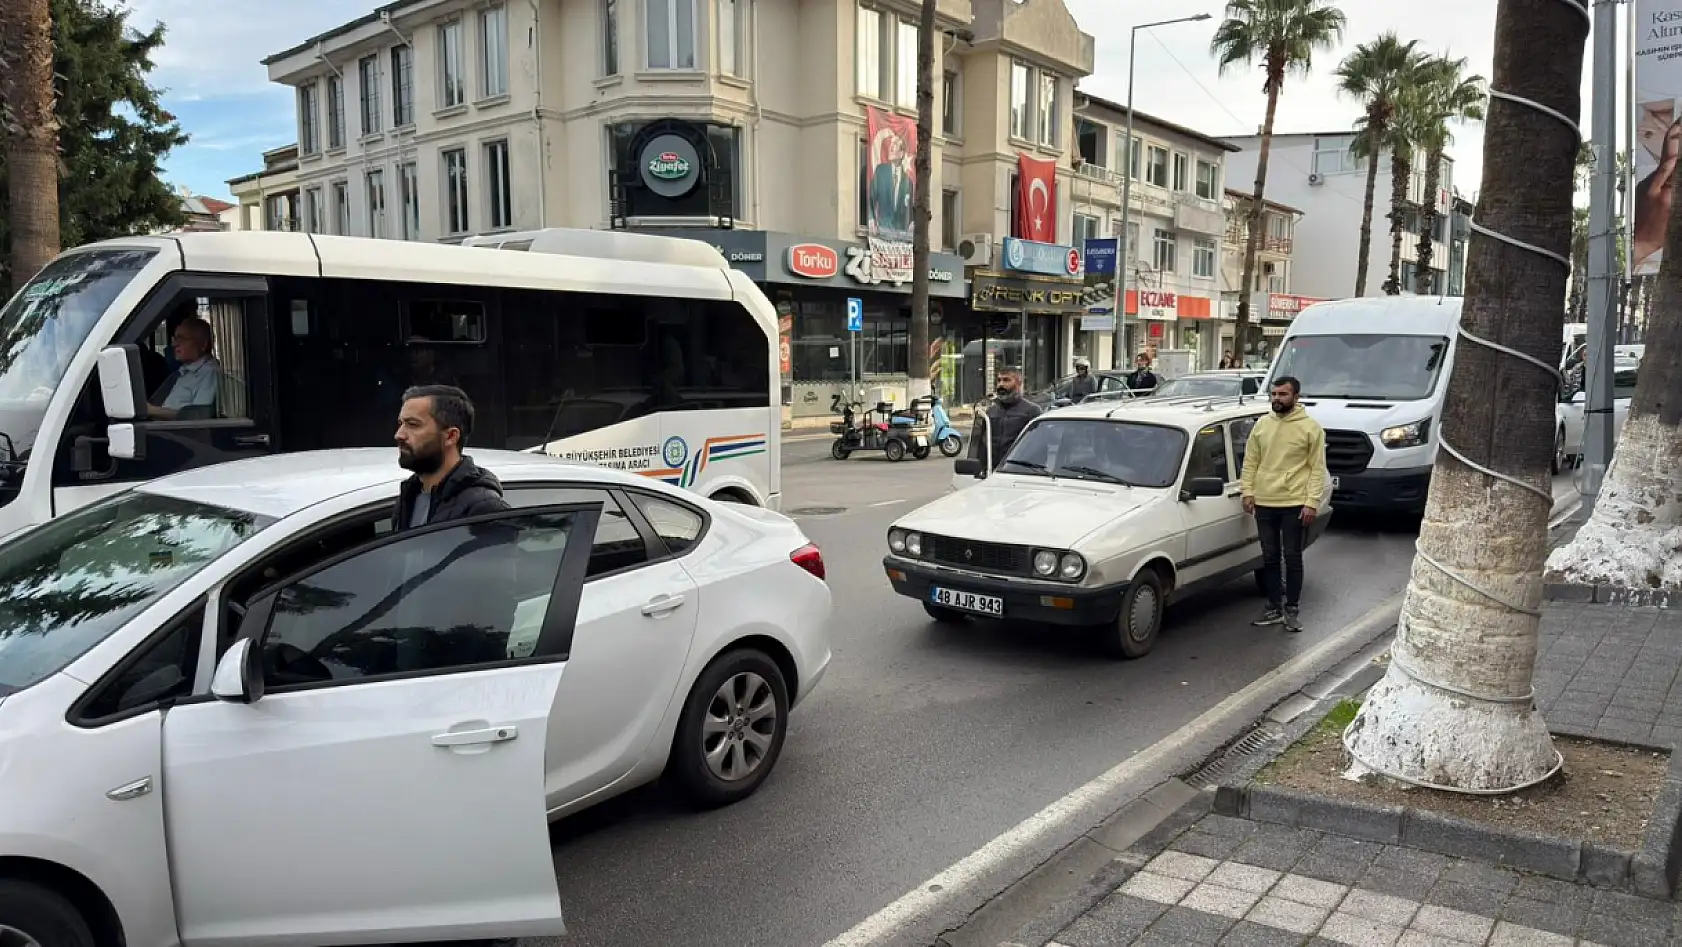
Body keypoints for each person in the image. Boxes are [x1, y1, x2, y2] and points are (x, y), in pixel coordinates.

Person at [1239, 376, 1327, 633]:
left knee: (1292, 556)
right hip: (1264, 502)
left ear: (1296, 397)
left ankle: (1292, 609)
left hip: (1294, 503)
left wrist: (1311, 503)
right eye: (1274, 394)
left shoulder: (1311, 428)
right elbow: (1251, 461)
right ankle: (1273, 607)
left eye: (1283, 394)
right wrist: (1248, 492)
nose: (1277, 399)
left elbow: (1316, 469)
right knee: (1269, 557)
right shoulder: (1262, 425)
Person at [393, 384, 510, 530]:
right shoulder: (409, 496)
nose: (399, 435)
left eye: (413, 425)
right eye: (401, 424)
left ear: (451, 436)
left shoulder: (483, 507)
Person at [148, 314, 223, 420]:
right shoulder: (184, 370)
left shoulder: (209, 372)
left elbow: (198, 416)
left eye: (181, 339)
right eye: (174, 339)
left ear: (202, 344)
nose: (174, 344)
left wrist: (152, 411)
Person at [971, 368, 1041, 470]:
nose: (1001, 384)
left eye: (1006, 380)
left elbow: (1039, 447)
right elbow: (981, 446)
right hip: (991, 471)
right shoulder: (990, 412)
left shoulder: (1031, 411)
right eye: (999, 380)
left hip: (1019, 471)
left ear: (1019, 383)